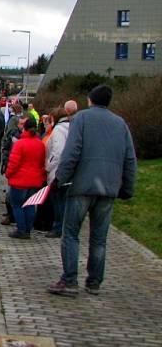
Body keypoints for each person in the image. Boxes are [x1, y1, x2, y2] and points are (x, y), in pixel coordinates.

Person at [47, 85, 136, 297]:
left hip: (82, 186)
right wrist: (127, 188)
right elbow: (130, 158)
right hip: (108, 188)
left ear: (89, 100)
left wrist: (60, 178)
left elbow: (72, 152)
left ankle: (69, 281)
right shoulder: (120, 124)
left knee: (70, 234)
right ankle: (94, 282)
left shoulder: (80, 119)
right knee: (99, 238)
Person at [4, 117, 46, 239]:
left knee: (17, 205)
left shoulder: (20, 144)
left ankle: (21, 229)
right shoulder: (40, 144)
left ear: (24, 128)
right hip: (34, 180)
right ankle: (28, 229)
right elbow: (42, 162)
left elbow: (13, 163)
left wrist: (8, 174)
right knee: (30, 205)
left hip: (19, 180)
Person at [45, 107, 72, 238]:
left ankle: (58, 228)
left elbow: (57, 152)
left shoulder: (58, 130)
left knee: (58, 202)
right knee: (65, 202)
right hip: (71, 172)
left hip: (58, 172)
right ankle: (64, 227)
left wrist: (48, 167)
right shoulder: (72, 127)